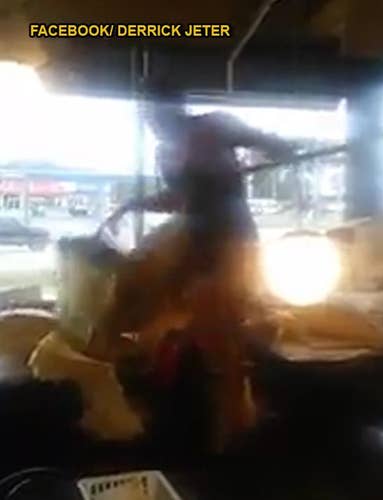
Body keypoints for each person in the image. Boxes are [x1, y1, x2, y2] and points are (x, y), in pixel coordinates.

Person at [95, 81, 299, 450]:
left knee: (218, 328)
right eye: (146, 113)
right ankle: (138, 396)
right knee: (136, 295)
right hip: (190, 237)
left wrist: (281, 147)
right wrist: (133, 205)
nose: (151, 120)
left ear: (174, 107)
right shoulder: (164, 152)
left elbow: (266, 141)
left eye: (155, 111)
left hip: (232, 238)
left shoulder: (214, 126)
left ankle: (233, 427)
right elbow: (177, 199)